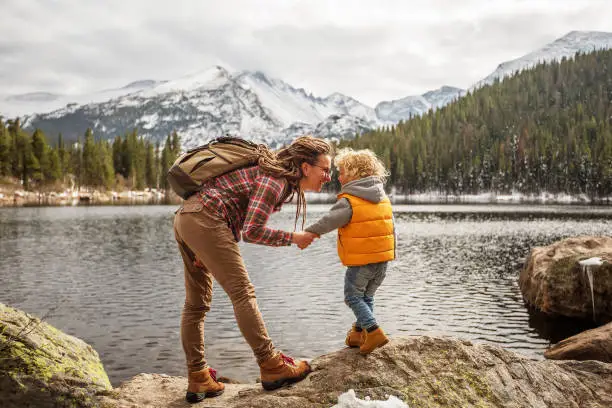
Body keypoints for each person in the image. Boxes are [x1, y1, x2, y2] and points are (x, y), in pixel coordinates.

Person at [172, 136, 332, 403]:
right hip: (205, 218)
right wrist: (293, 237)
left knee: (196, 304)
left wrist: (205, 247)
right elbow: (253, 231)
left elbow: (232, 208)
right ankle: (270, 364)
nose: (328, 176)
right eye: (325, 169)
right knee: (242, 293)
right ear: (305, 167)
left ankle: (198, 376)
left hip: (187, 217)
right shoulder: (275, 180)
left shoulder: (271, 175)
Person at [303, 148, 394, 355]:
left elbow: (329, 221)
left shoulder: (350, 201)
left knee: (352, 297)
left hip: (361, 263)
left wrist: (309, 232)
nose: (339, 177)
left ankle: (373, 331)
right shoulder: (383, 199)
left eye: (342, 172)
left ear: (354, 174)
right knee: (367, 296)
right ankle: (357, 334)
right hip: (382, 261)